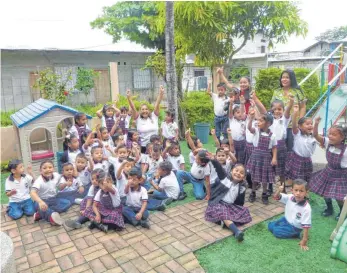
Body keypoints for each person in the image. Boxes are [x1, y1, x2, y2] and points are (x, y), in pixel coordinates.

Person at [205, 159, 251, 242]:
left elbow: (240, 201)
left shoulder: (241, 187)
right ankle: (236, 231)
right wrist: (214, 160)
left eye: (241, 173)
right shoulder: (225, 179)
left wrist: (238, 209)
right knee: (223, 211)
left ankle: (223, 221)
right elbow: (219, 168)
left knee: (244, 211)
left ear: (244, 177)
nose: (238, 173)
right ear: (231, 171)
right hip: (217, 203)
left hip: (230, 206)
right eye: (236, 170)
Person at [310, 120, 347, 220]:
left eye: (334, 134)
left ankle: (342, 212)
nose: (330, 136)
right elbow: (315, 135)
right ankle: (329, 208)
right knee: (325, 192)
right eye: (329, 133)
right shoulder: (328, 143)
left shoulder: (346, 150)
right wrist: (316, 124)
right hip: (328, 172)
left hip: (340, 175)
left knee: (340, 197)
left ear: (342, 137)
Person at [268, 179, 311, 251]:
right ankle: (284, 229)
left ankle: (297, 234)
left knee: (276, 232)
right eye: (296, 190)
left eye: (301, 191)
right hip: (285, 220)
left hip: (294, 228)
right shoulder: (290, 197)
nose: (298, 193)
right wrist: (279, 190)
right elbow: (276, 197)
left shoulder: (306, 208)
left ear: (306, 192)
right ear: (292, 190)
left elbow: (306, 225)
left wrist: (304, 240)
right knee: (270, 225)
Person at [271, 69, 306, 152]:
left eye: (287, 77)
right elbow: (272, 107)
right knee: (278, 148)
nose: (284, 79)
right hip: (279, 124)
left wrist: (299, 122)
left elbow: (303, 107)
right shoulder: (277, 91)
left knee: (291, 148)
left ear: (292, 79)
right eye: (283, 77)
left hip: (292, 125)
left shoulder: (297, 91)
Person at [247, 111, 277, 204]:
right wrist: (251, 118)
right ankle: (253, 192)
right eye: (258, 120)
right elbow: (249, 128)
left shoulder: (272, 135)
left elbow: (274, 147)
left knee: (264, 178)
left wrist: (274, 158)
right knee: (254, 177)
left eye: (261, 121)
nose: (258, 122)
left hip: (266, 158)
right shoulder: (256, 131)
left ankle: (264, 193)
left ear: (268, 123)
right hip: (255, 157)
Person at [30, 160, 71, 225]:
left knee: (67, 203)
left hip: (53, 199)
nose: (48, 169)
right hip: (41, 201)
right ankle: (51, 218)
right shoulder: (39, 181)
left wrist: (65, 184)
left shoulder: (56, 175)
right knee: (42, 207)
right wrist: (40, 202)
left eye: (50, 167)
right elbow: (32, 192)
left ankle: (40, 214)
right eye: (45, 168)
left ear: (53, 169)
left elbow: (60, 187)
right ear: (40, 171)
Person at [127, 86, 164, 153]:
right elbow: (133, 107)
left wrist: (161, 94)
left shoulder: (154, 116)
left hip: (155, 146)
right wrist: (129, 98)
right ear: (140, 111)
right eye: (142, 109)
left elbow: (157, 104)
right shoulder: (138, 118)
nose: (144, 111)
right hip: (143, 147)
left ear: (149, 110)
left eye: (146, 109)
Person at [285, 106, 316, 185]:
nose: (310, 125)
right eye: (307, 124)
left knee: (307, 176)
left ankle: (305, 191)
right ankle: (294, 189)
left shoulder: (313, 136)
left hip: (308, 160)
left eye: (311, 124)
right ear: (300, 126)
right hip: (297, 158)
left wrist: (317, 124)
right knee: (296, 176)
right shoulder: (297, 134)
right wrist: (295, 113)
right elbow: (294, 125)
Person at [228, 95, 246, 164]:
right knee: (233, 157)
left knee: (241, 158)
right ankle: (233, 168)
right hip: (233, 142)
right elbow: (230, 112)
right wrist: (231, 104)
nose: (240, 114)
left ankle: (241, 166)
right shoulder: (232, 120)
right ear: (234, 114)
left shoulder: (244, 121)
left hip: (242, 142)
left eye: (241, 112)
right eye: (237, 112)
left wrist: (242, 103)